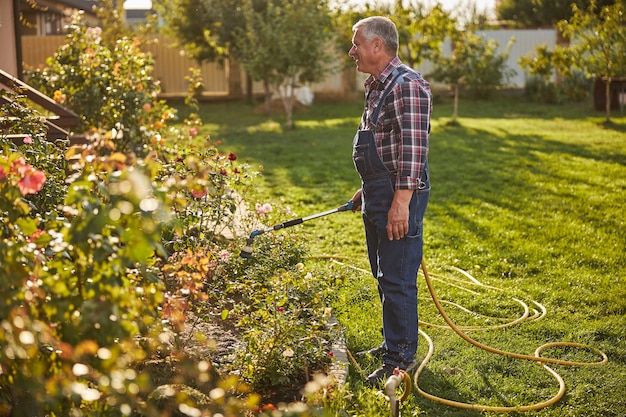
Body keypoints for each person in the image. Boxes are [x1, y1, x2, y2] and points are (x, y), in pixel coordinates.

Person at [347, 16, 432, 386]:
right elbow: (387, 143)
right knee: (384, 276)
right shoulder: (378, 86)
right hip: (379, 192)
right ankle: (391, 344)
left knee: (397, 278)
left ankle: (400, 359)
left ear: (377, 45)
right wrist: (367, 187)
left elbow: (414, 149)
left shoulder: (407, 85)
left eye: (356, 44)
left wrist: (401, 202)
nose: (352, 51)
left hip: (400, 195)